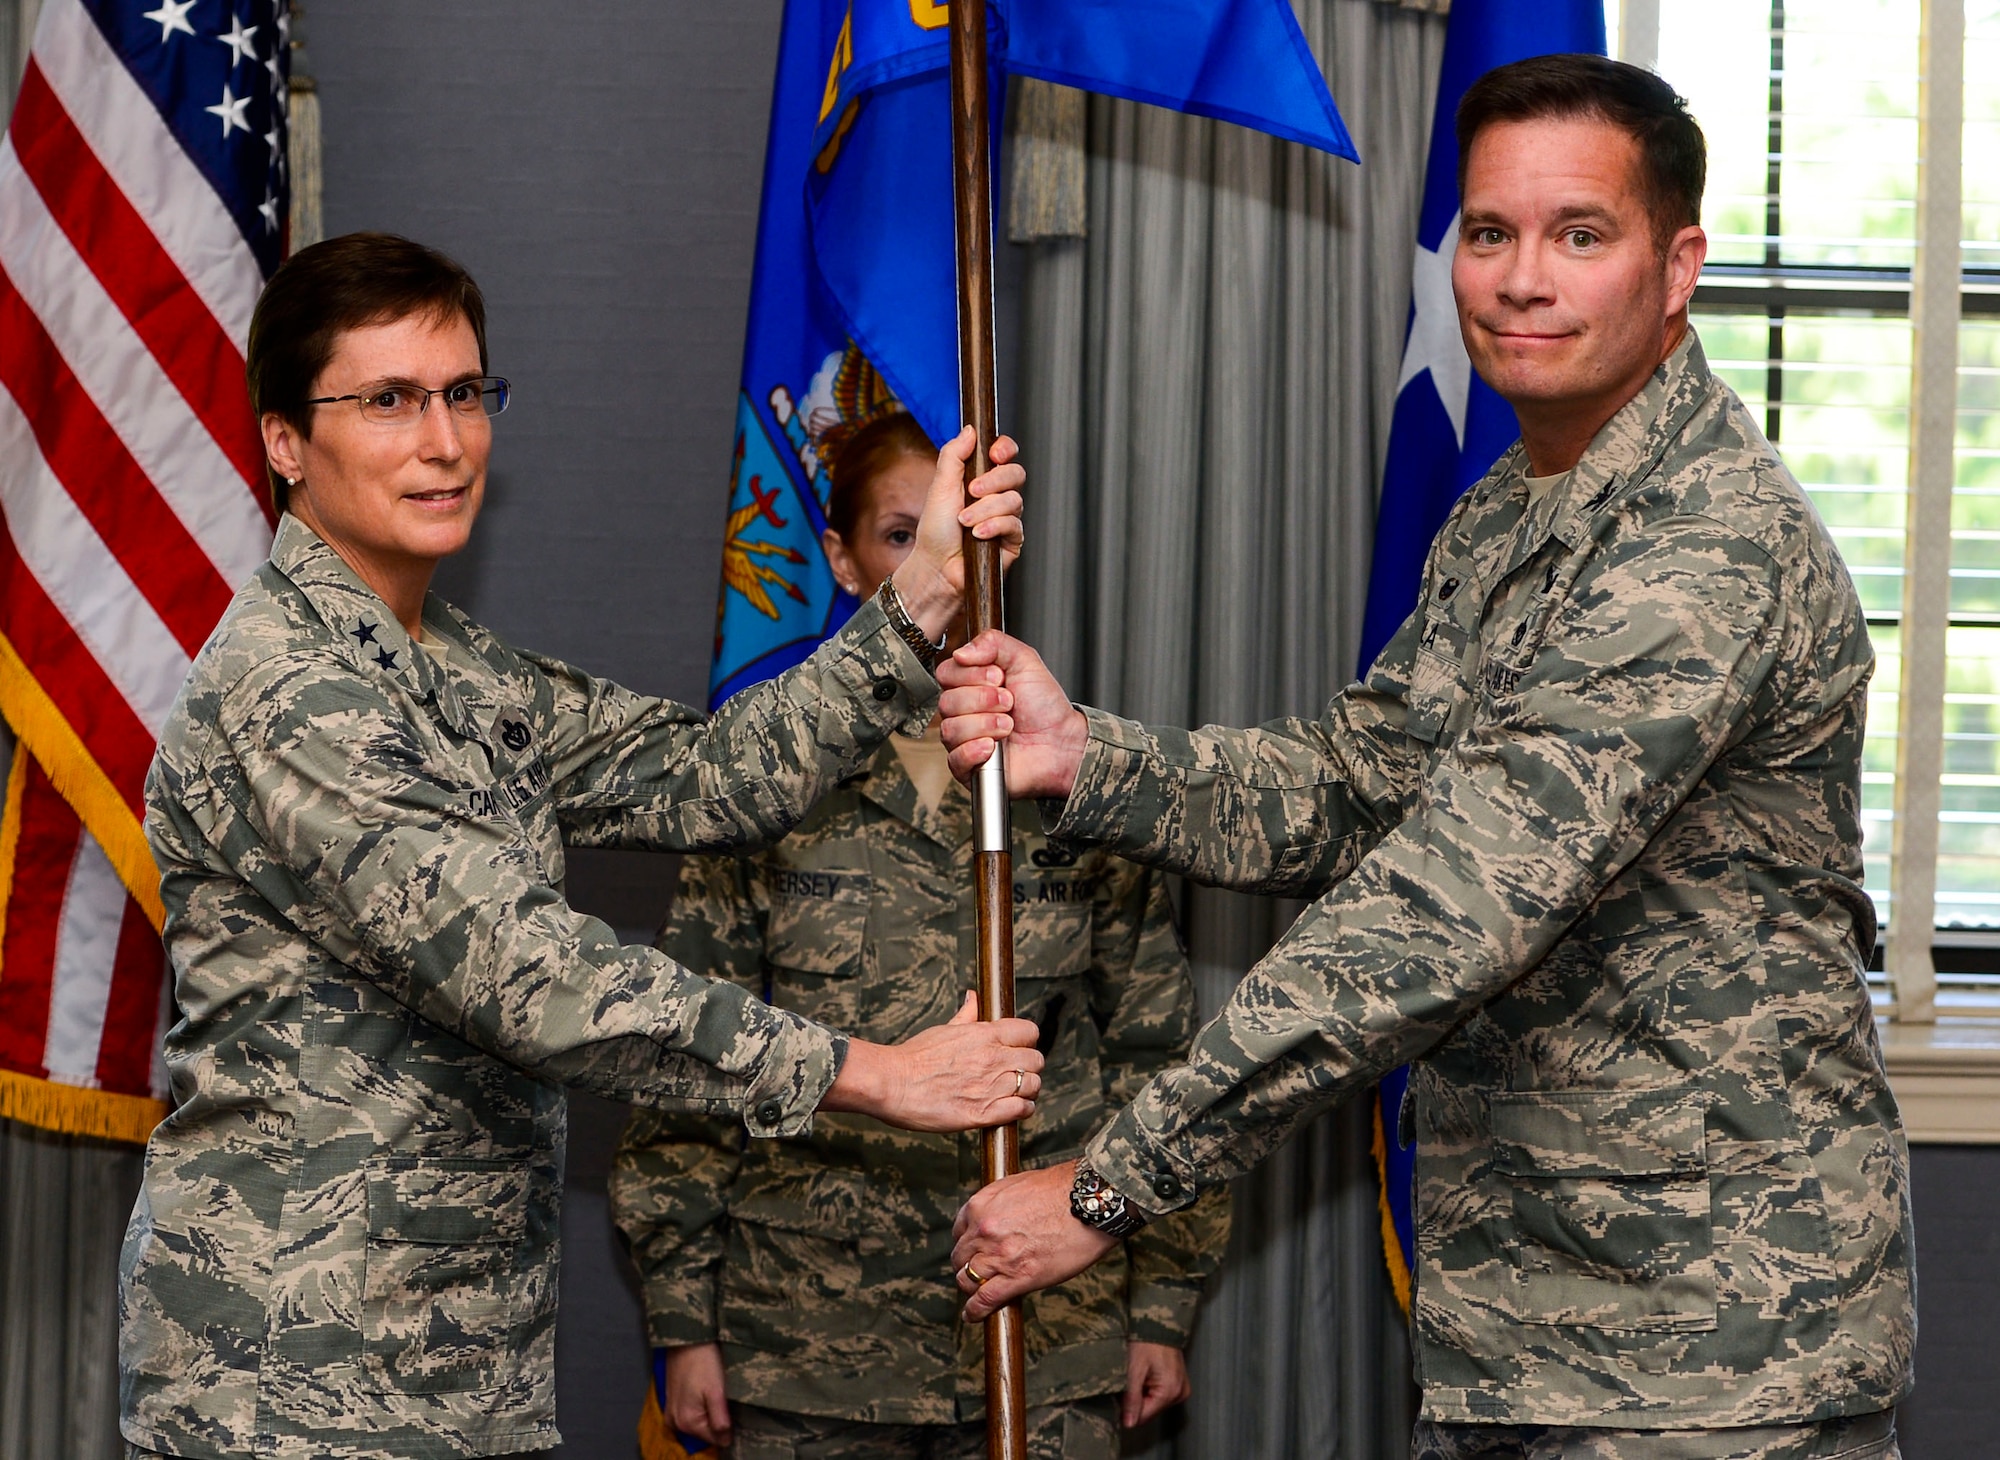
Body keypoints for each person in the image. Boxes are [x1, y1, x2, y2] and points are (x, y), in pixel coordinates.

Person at [938, 56, 1913, 1460]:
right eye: (1492, 233)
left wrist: (1109, 1186)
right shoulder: (1508, 518)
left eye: (1582, 235)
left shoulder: (1706, 551)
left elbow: (1446, 909)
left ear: (1678, 262)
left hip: (1713, 1356)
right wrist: (1090, 757)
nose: (1522, 280)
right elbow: (1363, 781)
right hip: (1525, 1324)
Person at [124, 232, 1042, 1460]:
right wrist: (870, 1071)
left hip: (452, 1362)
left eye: (463, 391)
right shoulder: (290, 694)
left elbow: (707, 774)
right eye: (389, 400)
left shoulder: (445, 662)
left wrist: (921, 593)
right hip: (291, 1375)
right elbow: (528, 975)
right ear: (285, 440)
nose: (444, 440)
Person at [609, 408, 1229, 1460]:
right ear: (843, 561)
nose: (943, 560)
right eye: (902, 534)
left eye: (963, 534)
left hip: (1047, 1333)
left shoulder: (1066, 770)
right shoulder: (764, 784)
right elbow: (687, 1059)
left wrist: (1161, 1296)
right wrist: (684, 1319)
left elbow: (1154, 1054)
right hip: (809, 1339)